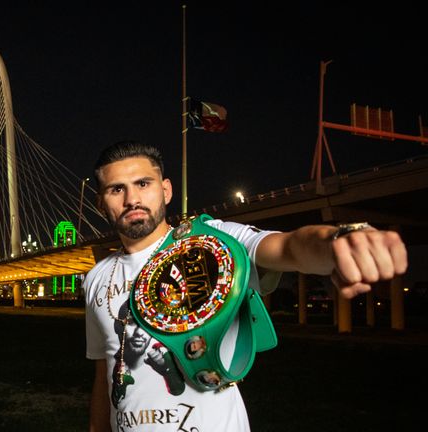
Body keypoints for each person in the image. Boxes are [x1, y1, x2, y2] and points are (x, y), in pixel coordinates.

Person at [83, 140, 408, 431]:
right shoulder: (98, 277)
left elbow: (289, 247)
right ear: (101, 203)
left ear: (165, 190)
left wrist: (340, 239)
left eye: (143, 183)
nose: (132, 199)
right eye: (116, 189)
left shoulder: (213, 244)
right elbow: (106, 372)